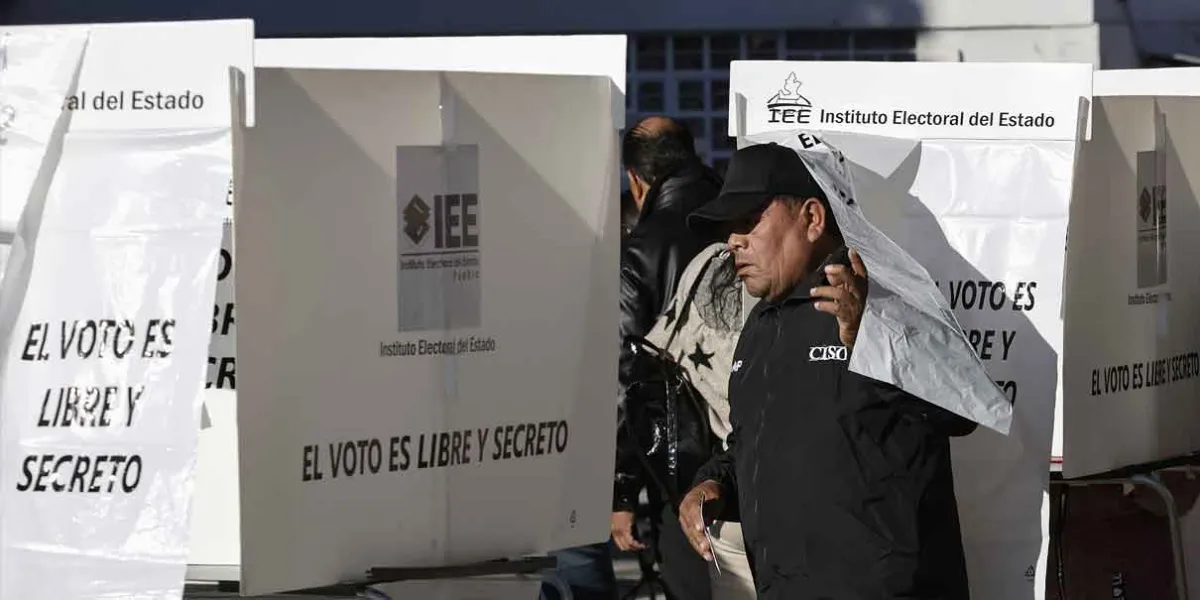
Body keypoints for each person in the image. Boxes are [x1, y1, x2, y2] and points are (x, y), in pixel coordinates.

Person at [678, 142, 978, 599]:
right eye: (728, 227)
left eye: (749, 220)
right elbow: (756, 448)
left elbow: (963, 410)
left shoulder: (881, 296)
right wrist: (712, 483)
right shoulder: (762, 323)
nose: (734, 240)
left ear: (813, 218)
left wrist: (871, 336)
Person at [613, 116, 724, 599]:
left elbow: (630, 377)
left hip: (682, 461)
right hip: (757, 446)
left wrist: (622, 491)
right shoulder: (745, 216)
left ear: (637, 181)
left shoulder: (644, 247)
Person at [642, 242, 756, 600]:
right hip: (722, 478)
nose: (740, 237)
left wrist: (624, 486)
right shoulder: (715, 260)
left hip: (723, 476)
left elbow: (643, 361)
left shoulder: (712, 257)